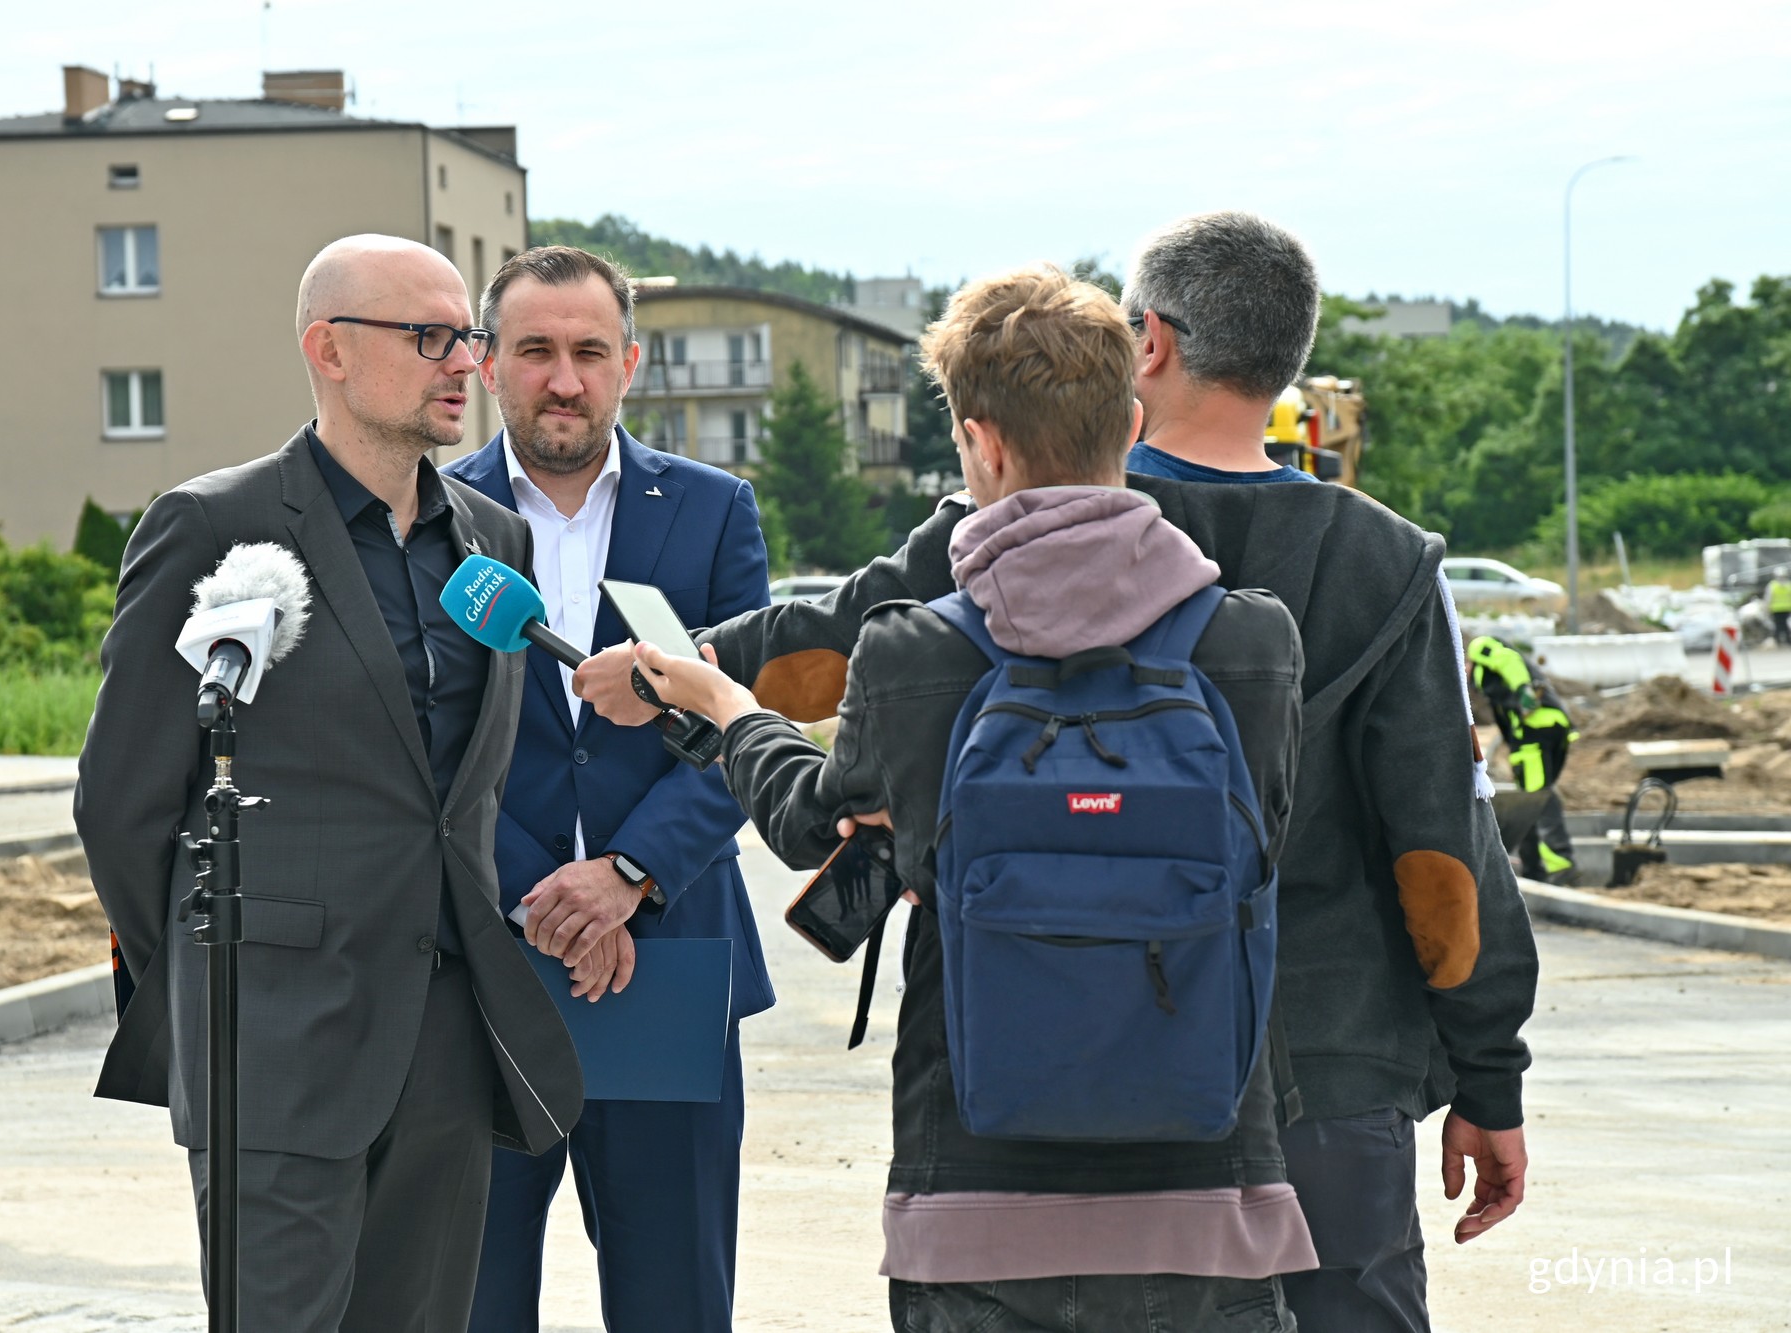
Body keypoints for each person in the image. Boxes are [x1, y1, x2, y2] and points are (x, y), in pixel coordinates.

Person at [579, 211, 1540, 1333]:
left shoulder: (992, 531)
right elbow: (1441, 854)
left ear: (1150, 346)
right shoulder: (1375, 566)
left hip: (1022, 1072)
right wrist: (1487, 1077)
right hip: (1310, 1087)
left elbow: (824, 648)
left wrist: (690, 672)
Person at [628, 265, 1316, 1330]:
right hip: (1208, 1193)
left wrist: (728, 707)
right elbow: (1257, 841)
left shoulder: (917, 648)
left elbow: (810, 815)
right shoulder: (1250, 640)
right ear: (1129, 422)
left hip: (977, 1198)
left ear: (982, 443)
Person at [76, 234, 582, 1333]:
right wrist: (221, 975)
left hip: (447, 1039)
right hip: (274, 1043)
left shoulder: (491, 542)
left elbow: (466, 795)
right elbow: (122, 805)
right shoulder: (215, 527)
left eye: (469, 337)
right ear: (330, 351)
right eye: (430, 336)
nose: (463, 363)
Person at [443, 246, 772, 1333]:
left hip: (669, 964)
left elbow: (744, 721)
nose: (563, 379)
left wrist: (628, 873)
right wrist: (553, 897)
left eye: (588, 351)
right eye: (534, 350)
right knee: (470, 1297)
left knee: (675, 1300)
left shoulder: (716, 512)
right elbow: (416, 742)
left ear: (628, 362)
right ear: (489, 362)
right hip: (484, 963)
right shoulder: (424, 518)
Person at [1467, 635, 1578, 884]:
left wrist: (1523, 692)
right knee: (1529, 800)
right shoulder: (1490, 685)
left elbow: (1508, 659)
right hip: (1543, 729)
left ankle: (1560, 864)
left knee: (1538, 798)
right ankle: (1534, 869)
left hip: (1535, 729)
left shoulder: (1480, 647)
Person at [1768, 570, 1791, 647]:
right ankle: (1787, 640)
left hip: (1776, 609)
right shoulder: (1788, 585)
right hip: (1786, 608)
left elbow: (1768, 598)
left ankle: (1778, 640)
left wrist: (1767, 607)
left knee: (1778, 625)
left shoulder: (1772, 585)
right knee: (1785, 624)